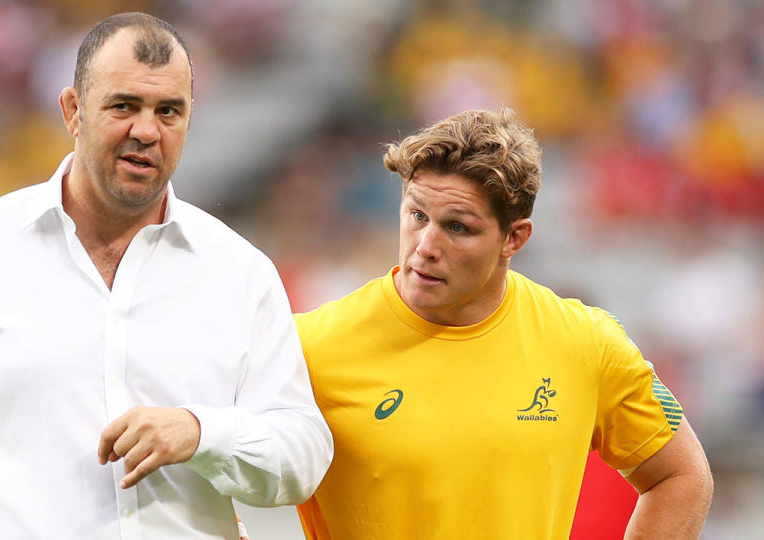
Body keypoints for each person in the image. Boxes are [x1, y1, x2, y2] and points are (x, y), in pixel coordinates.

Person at [0, 12, 332, 539]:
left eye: (168, 111)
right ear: (73, 111)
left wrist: (201, 433)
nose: (146, 131)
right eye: (124, 106)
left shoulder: (241, 273)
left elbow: (303, 453)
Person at [294, 108, 713, 539]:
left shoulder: (585, 342)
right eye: (417, 215)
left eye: (457, 227)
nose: (426, 247)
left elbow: (681, 476)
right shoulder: (310, 345)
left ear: (514, 237)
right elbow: (224, 458)